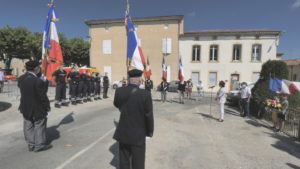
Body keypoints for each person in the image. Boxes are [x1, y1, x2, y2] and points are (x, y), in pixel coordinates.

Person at [113, 69, 154, 169]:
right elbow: (148, 115)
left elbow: (116, 104)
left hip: (123, 132)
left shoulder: (119, 91)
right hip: (138, 134)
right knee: (138, 163)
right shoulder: (145, 94)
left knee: (124, 161)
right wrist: (149, 132)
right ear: (140, 80)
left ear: (128, 79)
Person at [17, 61, 52, 152]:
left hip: (25, 106)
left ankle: (31, 144)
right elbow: (42, 95)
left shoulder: (21, 78)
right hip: (37, 106)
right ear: (35, 68)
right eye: (38, 67)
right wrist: (47, 107)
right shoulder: (38, 81)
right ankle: (39, 145)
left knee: (28, 125)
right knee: (39, 124)